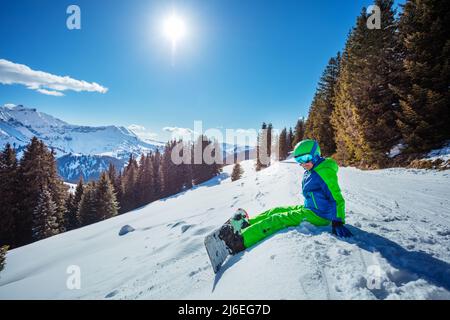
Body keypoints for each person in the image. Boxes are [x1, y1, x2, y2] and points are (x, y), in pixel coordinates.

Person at [219, 139, 353, 254]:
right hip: (312, 208)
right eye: (299, 160)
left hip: (320, 215)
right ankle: (246, 224)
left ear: (316, 154)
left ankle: (240, 241)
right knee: (275, 210)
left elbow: (336, 198)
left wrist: (338, 220)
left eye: (306, 158)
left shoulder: (324, 171)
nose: (303, 163)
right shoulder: (312, 168)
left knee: (278, 219)